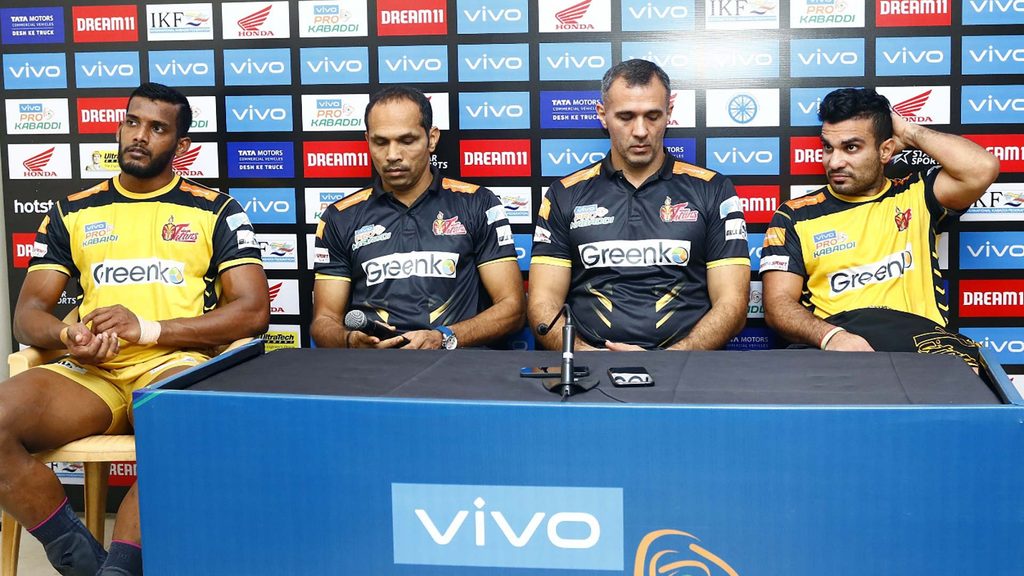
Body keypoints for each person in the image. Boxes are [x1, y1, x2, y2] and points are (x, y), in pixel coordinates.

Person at [0, 83, 270, 576]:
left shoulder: (216, 210)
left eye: (158, 128)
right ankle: (82, 562)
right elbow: (28, 314)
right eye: (132, 122)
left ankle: (121, 568)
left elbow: (252, 313)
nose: (139, 136)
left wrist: (146, 328)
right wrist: (69, 337)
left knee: (176, 423)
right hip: (93, 372)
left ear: (181, 146)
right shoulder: (74, 209)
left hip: (173, 364)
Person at [760, 87, 999, 365]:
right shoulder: (794, 216)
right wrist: (832, 336)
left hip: (919, 346)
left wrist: (909, 133)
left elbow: (981, 168)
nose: (835, 162)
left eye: (851, 147)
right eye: (828, 147)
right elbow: (778, 305)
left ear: (885, 150)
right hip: (839, 347)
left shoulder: (916, 193)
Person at [528, 59, 750, 351]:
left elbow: (733, 303)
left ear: (669, 114)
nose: (641, 130)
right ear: (602, 115)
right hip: (588, 371)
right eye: (626, 116)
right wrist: (584, 356)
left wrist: (671, 359)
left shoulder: (713, 189)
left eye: (653, 116)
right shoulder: (564, 194)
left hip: (685, 369)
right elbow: (543, 302)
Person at [311, 86, 524, 349]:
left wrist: (444, 337)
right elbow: (324, 320)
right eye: (380, 142)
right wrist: (349, 340)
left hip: (458, 372)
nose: (392, 155)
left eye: (407, 140)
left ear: (432, 138)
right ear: (367, 140)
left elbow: (513, 308)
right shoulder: (339, 217)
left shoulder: (477, 203)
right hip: (372, 374)